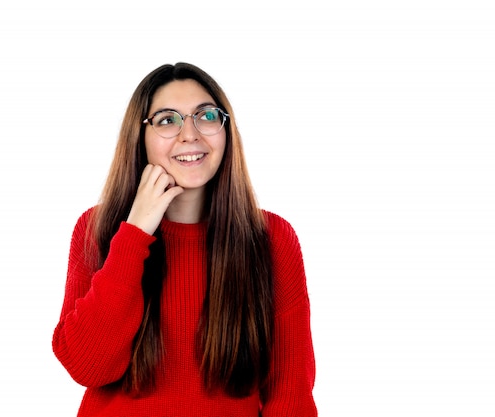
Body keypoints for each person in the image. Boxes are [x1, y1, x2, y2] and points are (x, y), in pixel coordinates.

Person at [52, 62, 317, 416]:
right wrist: (134, 235)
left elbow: (291, 395)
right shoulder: (96, 229)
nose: (190, 134)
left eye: (206, 116)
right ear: (140, 137)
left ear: (226, 130)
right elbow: (87, 366)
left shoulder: (272, 239)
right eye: (167, 120)